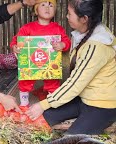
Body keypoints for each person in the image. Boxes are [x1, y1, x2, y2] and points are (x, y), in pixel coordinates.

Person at [26, 0, 116, 135]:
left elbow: (75, 84)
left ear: (84, 18)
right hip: (83, 99)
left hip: (102, 105)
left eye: (69, 13)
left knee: (70, 143)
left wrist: (42, 104)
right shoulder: (85, 33)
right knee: (43, 118)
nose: (67, 17)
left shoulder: (96, 45)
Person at [10, 0, 71, 107]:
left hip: (50, 64)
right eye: (43, 5)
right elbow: (16, 41)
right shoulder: (27, 28)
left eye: (51, 5)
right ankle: (24, 103)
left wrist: (62, 45)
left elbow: (67, 42)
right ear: (36, 10)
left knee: (53, 81)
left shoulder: (58, 29)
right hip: (31, 62)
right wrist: (15, 47)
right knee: (25, 79)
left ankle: (53, 102)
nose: (47, 8)